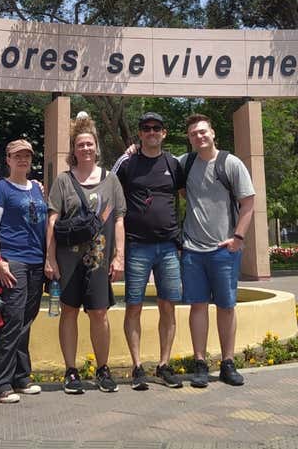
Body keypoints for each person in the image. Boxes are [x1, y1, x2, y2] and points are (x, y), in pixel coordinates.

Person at [45, 114, 126, 394]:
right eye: (80, 145)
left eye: (89, 144)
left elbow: (118, 220)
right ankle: (71, 370)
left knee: (99, 313)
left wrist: (119, 257)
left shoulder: (111, 180)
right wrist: (50, 257)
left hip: (100, 261)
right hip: (68, 261)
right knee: (68, 312)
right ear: (73, 150)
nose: (86, 149)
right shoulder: (63, 181)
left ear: (96, 147)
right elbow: (53, 220)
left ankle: (102, 368)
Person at [181, 114, 255, 388]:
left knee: (226, 307)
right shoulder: (185, 163)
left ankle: (227, 362)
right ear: (189, 139)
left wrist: (237, 238)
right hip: (192, 250)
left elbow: (248, 203)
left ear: (212, 133)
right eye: (193, 134)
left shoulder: (230, 163)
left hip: (224, 249)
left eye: (202, 132)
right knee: (197, 307)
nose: (199, 137)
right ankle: (200, 363)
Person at [112, 112, 185, 390]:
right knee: (134, 306)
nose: (151, 132)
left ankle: (164, 365)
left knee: (168, 306)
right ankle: (137, 366)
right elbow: (109, 193)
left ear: (164, 133)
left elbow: (188, 196)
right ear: (140, 134)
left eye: (156, 127)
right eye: (146, 128)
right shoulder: (128, 163)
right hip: (136, 246)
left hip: (168, 247)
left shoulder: (174, 164)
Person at [0, 139, 47, 403]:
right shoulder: (2, 188)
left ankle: (21, 377)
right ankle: (0, 382)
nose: (23, 160)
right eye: (17, 156)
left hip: (37, 261)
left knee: (26, 320)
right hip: (14, 261)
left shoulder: (37, 188)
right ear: (7, 160)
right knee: (11, 320)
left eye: (27, 156)